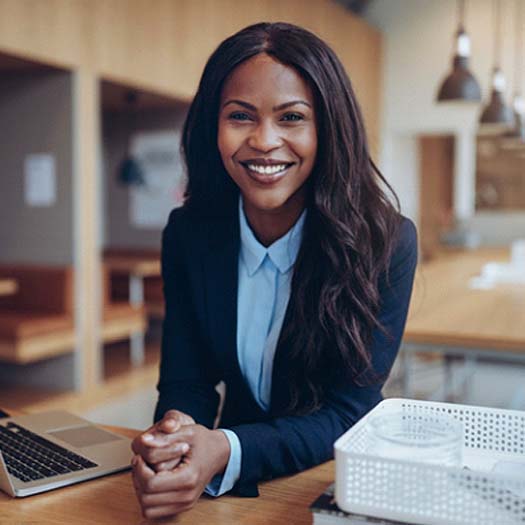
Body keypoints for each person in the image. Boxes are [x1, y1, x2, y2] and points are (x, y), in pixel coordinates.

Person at [131, 21, 418, 519]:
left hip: (325, 484)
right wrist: (174, 440)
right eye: (241, 116)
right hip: (229, 490)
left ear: (327, 129)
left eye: (291, 118)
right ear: (212, 128)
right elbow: (187, 379)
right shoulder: (189, 233)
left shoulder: (384, 243)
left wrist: (223, 448)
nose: (264, 141)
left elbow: (350, 411)